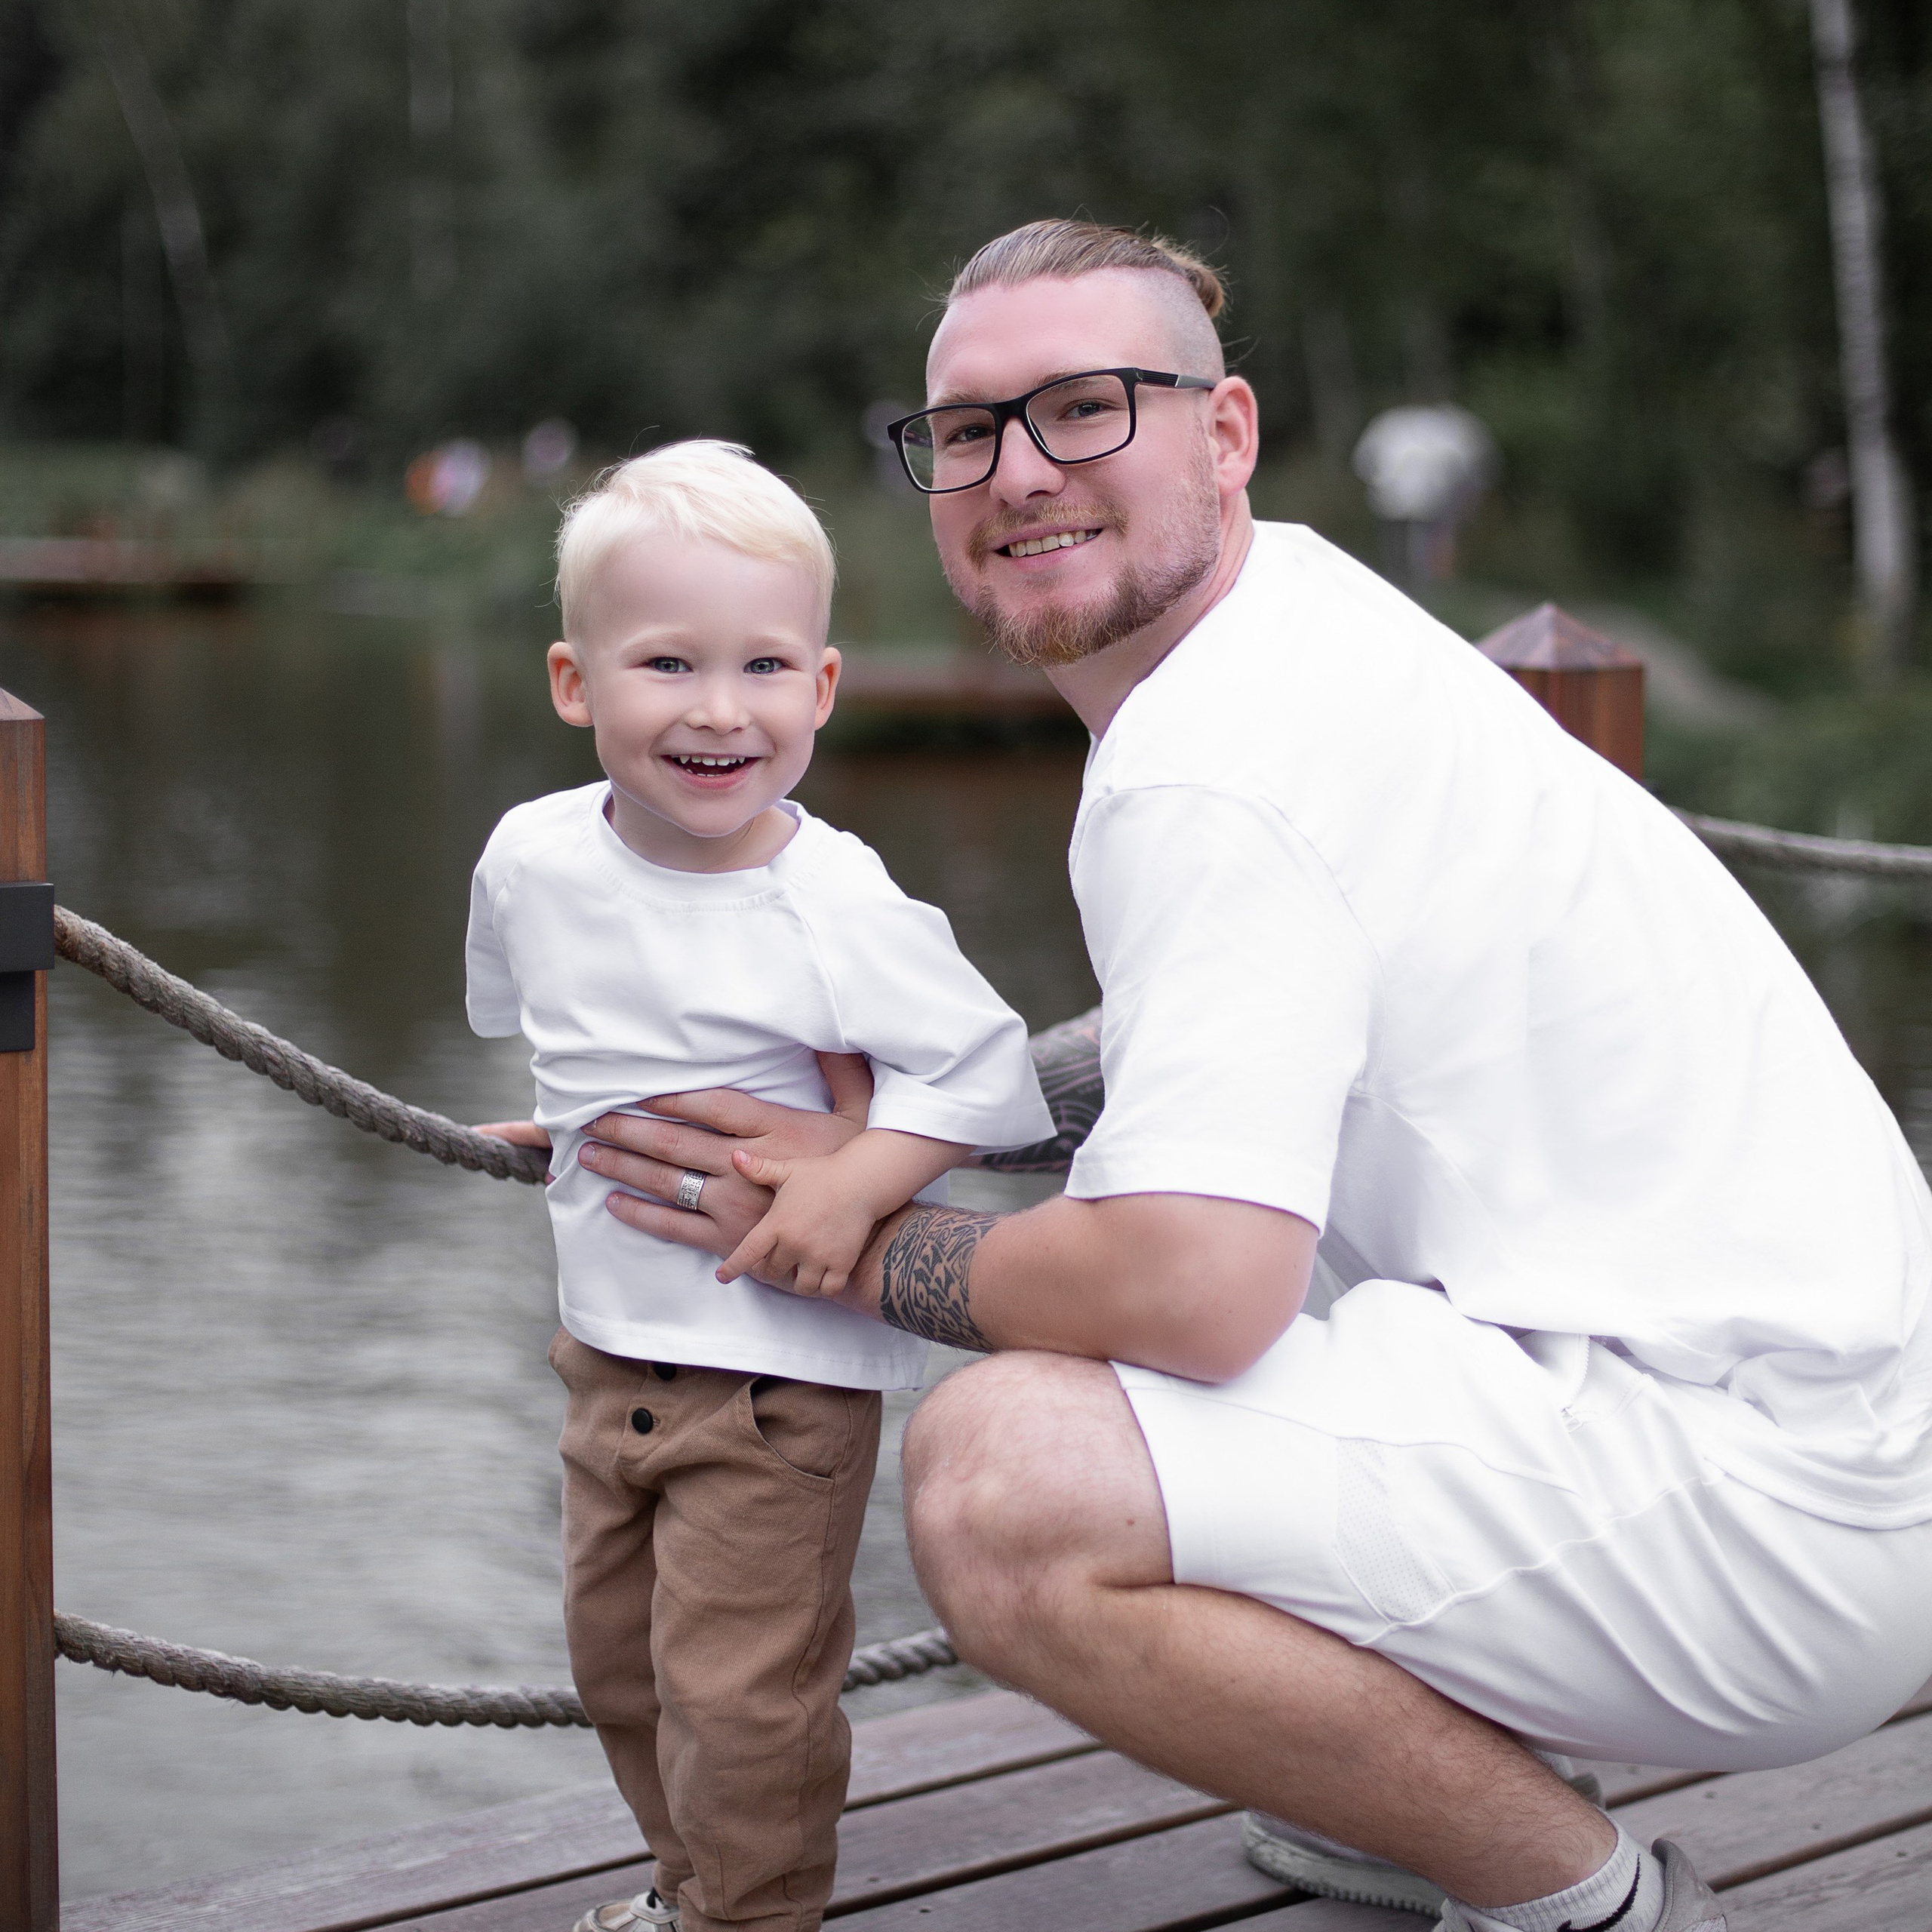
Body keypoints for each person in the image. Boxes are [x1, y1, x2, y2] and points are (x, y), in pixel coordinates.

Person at [553, 224, 1932, 1932]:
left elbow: (1195, 1289)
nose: (1017, 470)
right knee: (1165, 1358)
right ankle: (1414, 1798)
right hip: (1807, 1438)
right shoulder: (1299, 619)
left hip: (1760, 1515)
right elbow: (1209, 1039)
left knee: (1002, 1479)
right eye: (966, 430)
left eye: (1083, 407)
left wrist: (847, 1231)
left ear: (1223, 434)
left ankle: (1582, 1903)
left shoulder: (1212, 771)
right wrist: (908, 1130)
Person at [467, 438, 1053, 1932]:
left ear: (824, 687)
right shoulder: (532, 856)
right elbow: (548, 1022)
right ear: (572, 681)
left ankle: (750, 1908)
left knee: (743, 1701)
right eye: (666, 662)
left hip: (772, 1376)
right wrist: (564, 1113)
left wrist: (859, 1177)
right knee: (617, 1669)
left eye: (763, 665)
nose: (719, 710)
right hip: (602, 1360)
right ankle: (691, 1889)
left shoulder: (829, 893)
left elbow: (983, 1071)